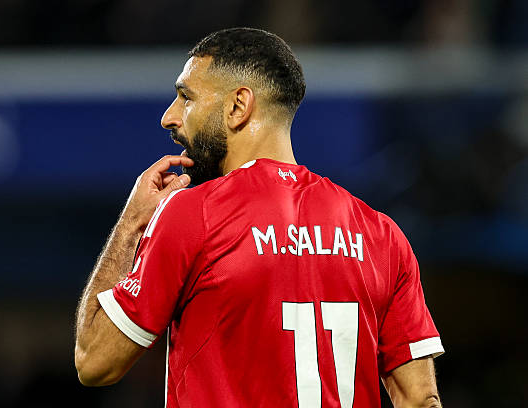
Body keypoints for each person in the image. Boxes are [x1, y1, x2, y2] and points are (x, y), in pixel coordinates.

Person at [74, 27, 444, 407]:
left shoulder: (194, 214)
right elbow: (420, 400)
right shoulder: (380, 234)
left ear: (238, 106)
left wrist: (133, 222)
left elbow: (94, 361)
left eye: (186, 97)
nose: (169, 117)